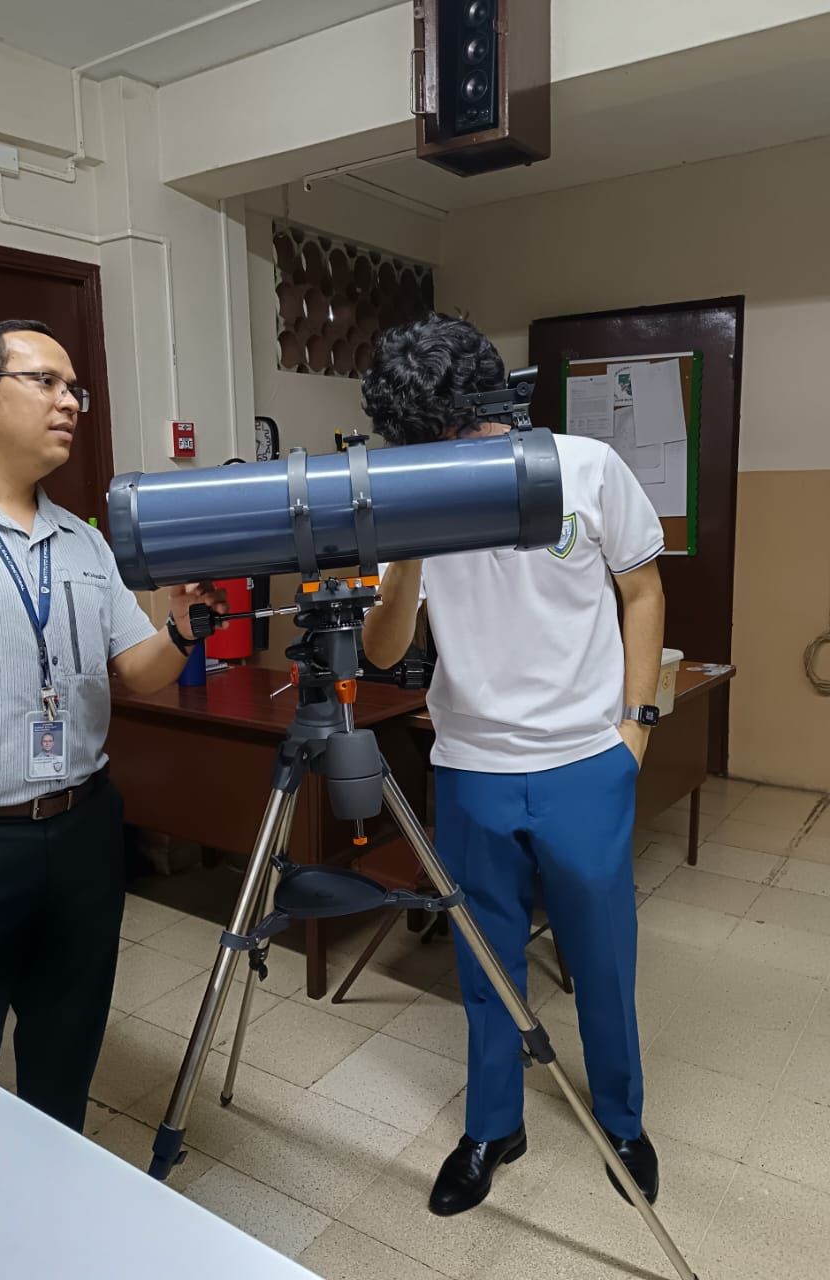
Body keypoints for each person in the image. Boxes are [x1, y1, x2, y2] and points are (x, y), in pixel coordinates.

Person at [0, 319, 223, 1132]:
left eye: (77, 390)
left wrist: (180, 627)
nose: (71, 402)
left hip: (84, 833)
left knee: (67, 1056)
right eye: (48, 383)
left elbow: (137, 673)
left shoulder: (83, 541)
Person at [361, 315, 666, 1216]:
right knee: (485, 960)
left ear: (491, 402)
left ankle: (620, 1119)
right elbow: (382, 654)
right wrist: (407, 550)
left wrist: (635, 728)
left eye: (465, 425)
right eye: (431, 437)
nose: (459, 447)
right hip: (468, 764)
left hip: (584, 760)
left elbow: (642, 589)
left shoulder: (586, 467)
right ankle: (495, 1124)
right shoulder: (405, 487)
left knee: (603, 958)